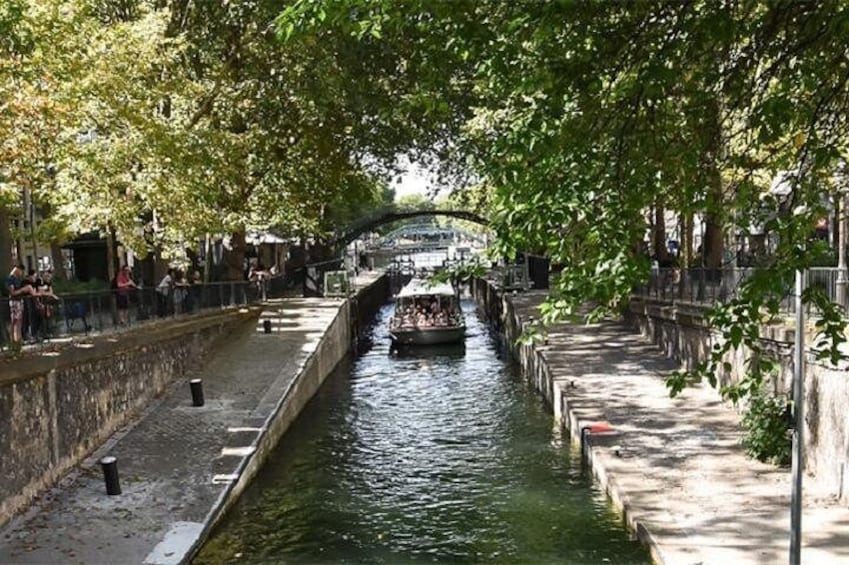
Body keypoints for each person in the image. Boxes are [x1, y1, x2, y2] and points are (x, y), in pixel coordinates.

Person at [4, 265, 33, 347]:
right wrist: (22, 290)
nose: (21, 274)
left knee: (19, 321)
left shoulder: (17, 279)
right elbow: (12, 293)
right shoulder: (10, 279)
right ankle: (12, 340)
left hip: (19, 301)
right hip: (14, 302)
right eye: (21, 271)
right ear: (17, 269)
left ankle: (19, 339)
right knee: (14, 321)